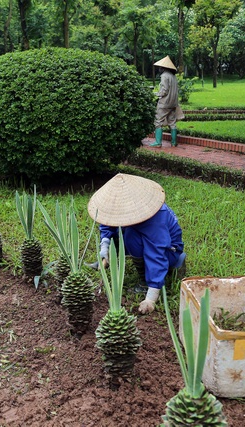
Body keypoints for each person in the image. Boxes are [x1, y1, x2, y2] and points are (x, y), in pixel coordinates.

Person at [86, 173, 186, 315]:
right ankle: (113, 259)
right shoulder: (125, 207)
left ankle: (145, 280)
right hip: (145, 234)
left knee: (131, 236)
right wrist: (105, 244)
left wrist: (151, 296)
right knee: (123, 232)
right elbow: (108, 221)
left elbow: (157, 252)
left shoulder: (154, 218)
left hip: (169, 249)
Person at [150, 55, 182, 148]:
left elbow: (164, 90)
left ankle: (158, 142)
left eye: (160, 67)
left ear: (164, 67)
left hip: (165, 103)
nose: (159, 68)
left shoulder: (164, 76)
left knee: (158, 121)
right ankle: (174, 142)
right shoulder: (173, 76)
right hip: (173, 103)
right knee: (172, 122)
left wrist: (156, 94)